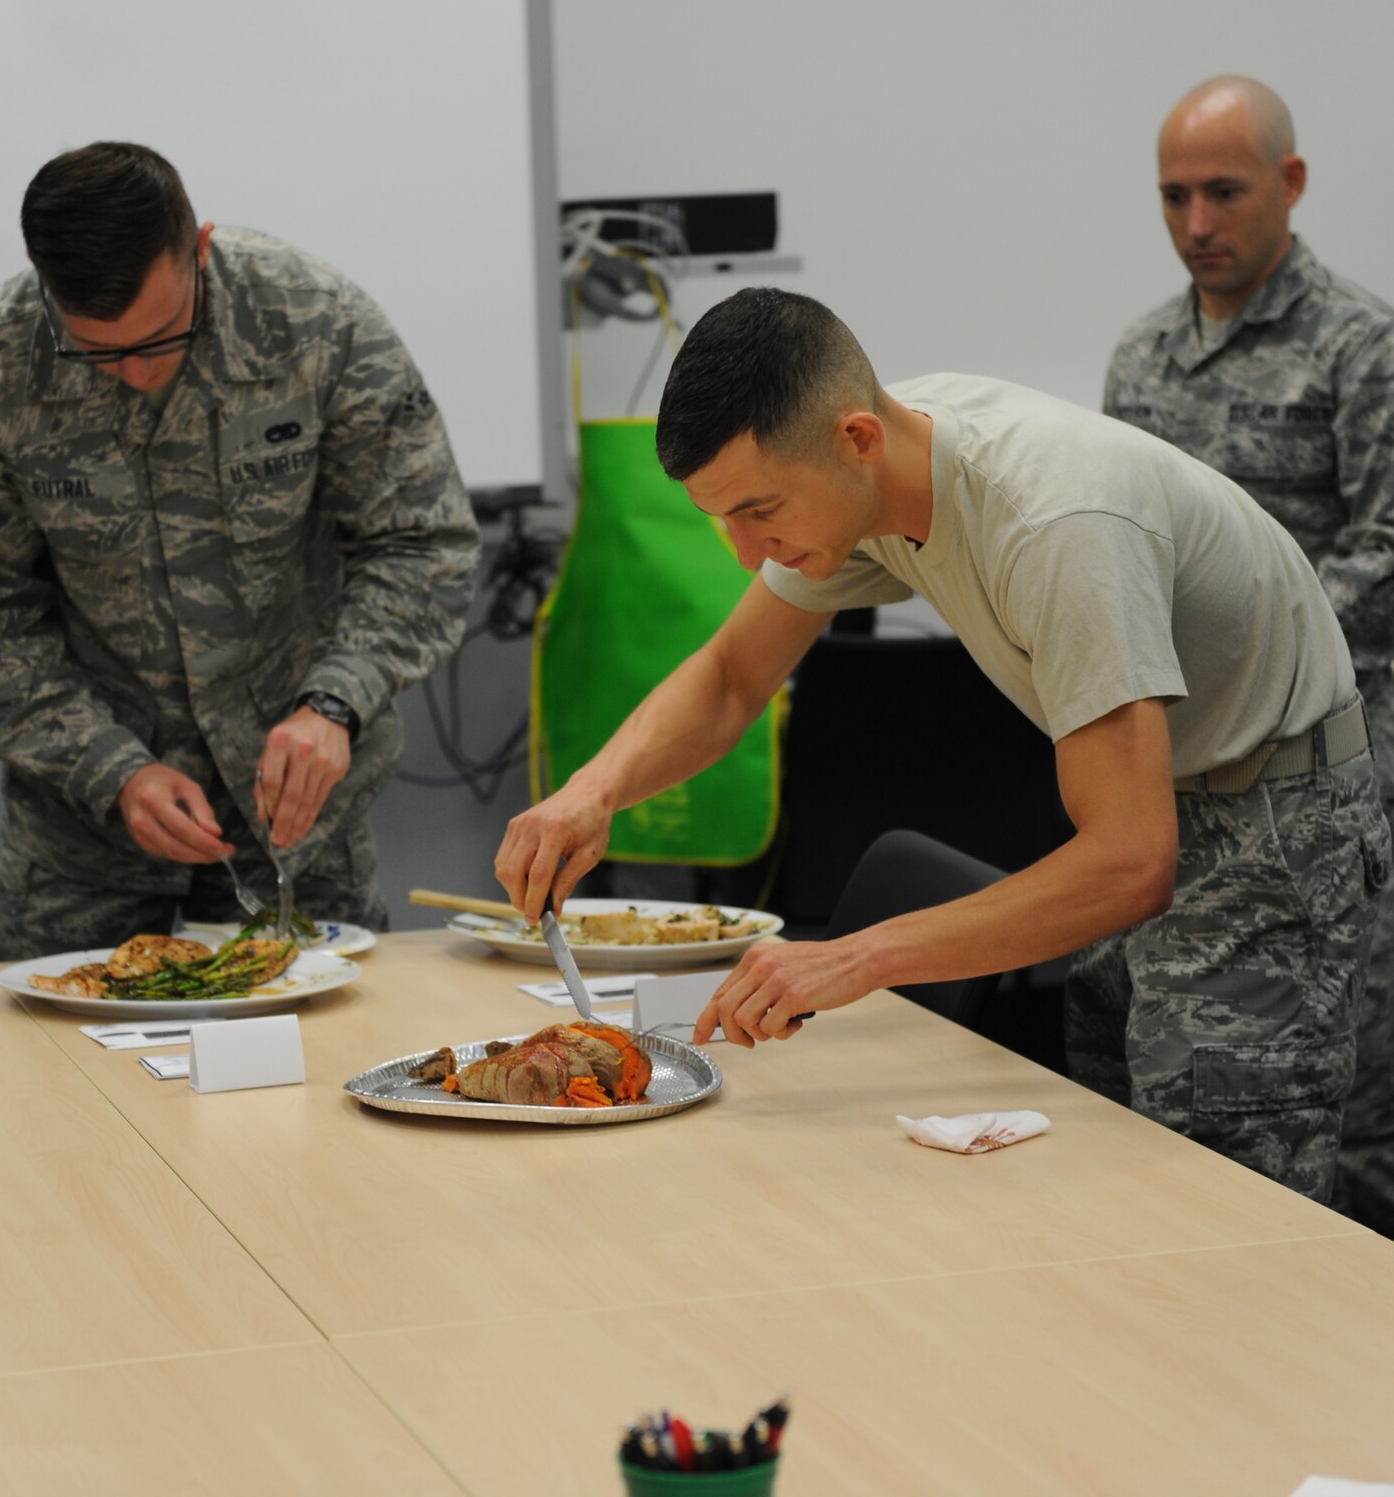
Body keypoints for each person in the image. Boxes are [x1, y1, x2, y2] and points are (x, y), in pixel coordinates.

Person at [497, 286, 1393, 1211]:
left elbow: (1131, 862)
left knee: (1220, 1194)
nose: (742, 552)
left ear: (857, 441)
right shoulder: (868, 474)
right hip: (1161, 791)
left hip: (1271, 815)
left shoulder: (1056, 525)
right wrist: (592, 791)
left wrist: (857, 957)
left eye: (759, 512)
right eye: (722, 519)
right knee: (1111, 1150)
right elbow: (731, 679)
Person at [0, 141, 477, 961]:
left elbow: (422, 541)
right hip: (83, 829)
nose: (136, 372)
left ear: (199, 249)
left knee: (323, 1067)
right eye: (99, 349)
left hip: (296, 819)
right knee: (40, 1071)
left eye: (163, 335)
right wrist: (111, 770)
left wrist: (337, 703)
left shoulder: (316, 322)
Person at [1104, 75, 1394, 1232]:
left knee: (1344, 1075)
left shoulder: (1357, 348)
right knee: (1183, 1073)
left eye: (1221, 192)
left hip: (1333, 764)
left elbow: (1385, 546)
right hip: (1175, 768)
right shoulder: (1140, 356)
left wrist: (1248, 662)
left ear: (1289, 183)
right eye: (1171, 196)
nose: (1194, 225)